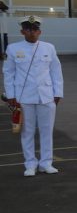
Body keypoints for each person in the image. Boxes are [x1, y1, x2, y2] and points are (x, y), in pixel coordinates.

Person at [3, 15, 63, 177]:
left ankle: (46, 163)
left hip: (46, 95)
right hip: (24, 96)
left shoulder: (48, 47)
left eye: (35, 29)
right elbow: (8, 73)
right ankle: (30, 164)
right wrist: (10, 95)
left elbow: (56, 71)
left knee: (46, 131)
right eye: (28, 29)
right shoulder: (13, 49)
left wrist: (57, 93)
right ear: (23, 31)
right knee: (27, 131)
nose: (32, 33)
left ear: (40, 31)